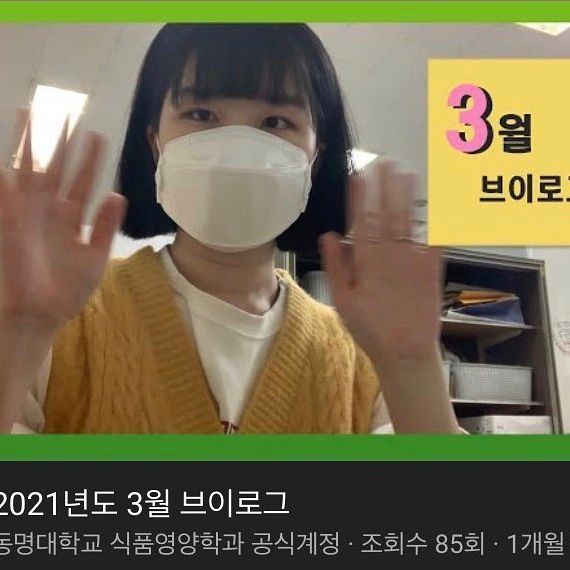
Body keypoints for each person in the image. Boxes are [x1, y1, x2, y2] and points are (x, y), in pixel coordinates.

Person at [0, 24, 461, 434]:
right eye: (201, 114)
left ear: (315, 159)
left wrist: (412, 364)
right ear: (155, 143)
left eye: (275, 122)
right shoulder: (62, 316)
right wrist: (18, 334)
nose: (235, 151)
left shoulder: (361, 352)